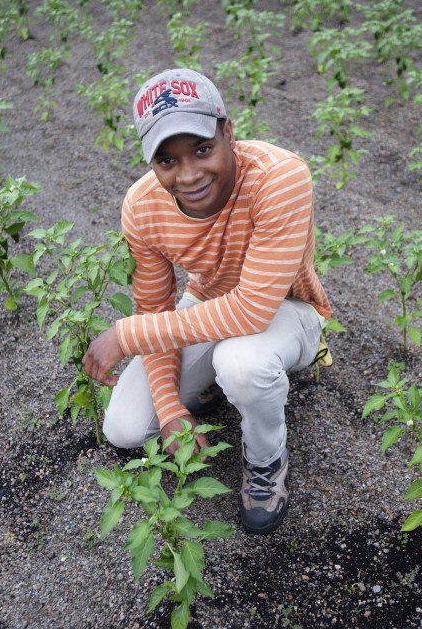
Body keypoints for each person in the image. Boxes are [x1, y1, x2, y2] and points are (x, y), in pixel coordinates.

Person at [82, 68, 332, 535]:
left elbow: (252, 309)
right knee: (126, 428)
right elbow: (156, 311)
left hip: (285, 310)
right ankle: (212, 386)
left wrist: (126, 333)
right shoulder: (142, 208)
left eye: (202, 148)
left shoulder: (280, 178)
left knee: (243, 361)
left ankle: (265, 462)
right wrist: (173, 412)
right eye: (166, 160)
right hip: (206, 306)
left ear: (228, 132)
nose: (189, 174)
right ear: (151, 162)